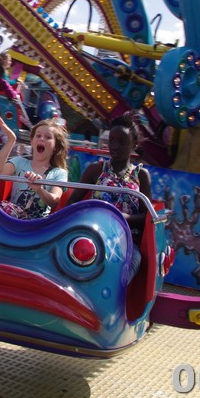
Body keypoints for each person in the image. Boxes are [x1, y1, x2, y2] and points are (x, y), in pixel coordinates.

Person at [67, 113, 152, 281]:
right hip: (95, 234)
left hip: (126, 239)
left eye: (122, 142)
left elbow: (147, 216)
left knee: (134, 261)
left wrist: (123, 218)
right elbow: (72, 202)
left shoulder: (141, 175)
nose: (115, 146)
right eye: (111, 141)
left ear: (134, 144)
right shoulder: (95, 169)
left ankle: (116, 292)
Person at [0, 117, 69, 220]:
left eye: (48, 137)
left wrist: (39, 189)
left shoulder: (59, 173)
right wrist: (11, 140)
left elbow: (54, 201)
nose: (42, 139)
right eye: (38, 135)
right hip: (13, 219)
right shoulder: (19, 162)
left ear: (55, 147)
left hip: (38, 224)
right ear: (32, 141)